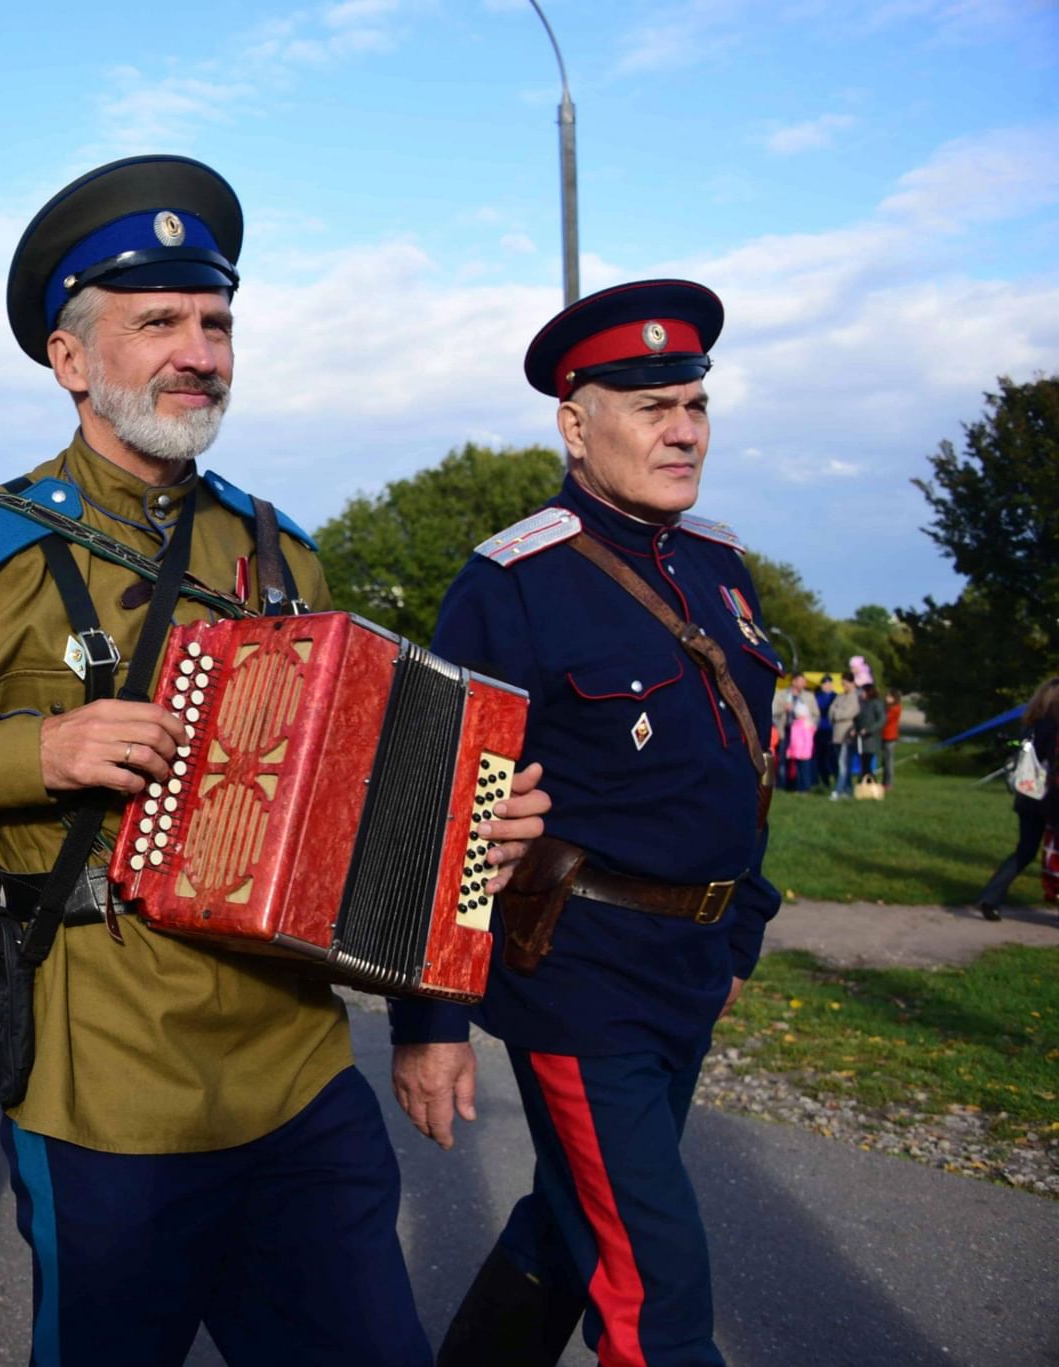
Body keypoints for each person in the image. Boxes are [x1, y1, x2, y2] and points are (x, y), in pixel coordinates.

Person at [0, 156, 548, 1364]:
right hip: (110, 1090)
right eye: (159, 323)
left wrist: (465, 829)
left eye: (216, 322)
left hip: (294, 1069)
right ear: (72, 360)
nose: (200, 350)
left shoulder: (278, 551)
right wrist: (37, 751)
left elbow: (351, 800)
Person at [389, 280, 782, 1366]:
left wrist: (738, 925)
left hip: (691, 963)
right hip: (581, 969)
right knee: (653, 1278)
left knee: (575, 1219)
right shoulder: (510, 581)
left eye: (694, 404)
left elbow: (736, 768)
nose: (683, 429)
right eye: (651, 406)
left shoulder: (716, 565)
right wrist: (430, 1023)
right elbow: (451, 812)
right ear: (574, 423)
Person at [975, 677, 1059, 921]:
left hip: (1027, 794)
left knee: (1025, 850)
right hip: (1051, 798)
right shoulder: (1053, 728)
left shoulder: (1030, 724)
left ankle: (991, 897)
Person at [783, 675, 819, 792]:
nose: (804, 684)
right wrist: (784, 709)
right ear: (793, 682)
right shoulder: (782, 694)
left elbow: (816, 714)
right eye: (801, 681)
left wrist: (810, 726)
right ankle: (785, 785)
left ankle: (804, 786)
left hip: (803, 733)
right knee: (785, 760)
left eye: (804, 682)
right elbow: (773, 710)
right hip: (784, 731)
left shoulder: (809, 696)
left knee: (803, 760)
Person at [827, 676, 861, 799]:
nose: (843, 686)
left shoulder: (855, 698)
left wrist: (837, 712)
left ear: (852, 683)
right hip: (836, 735)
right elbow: (831, 710)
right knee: (842, 763)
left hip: (847, 736)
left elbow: (850, 713)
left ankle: (838, 790)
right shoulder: (840, 696)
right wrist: (837, 712)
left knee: (843, 763)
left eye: (845, 683)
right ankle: (848, 790)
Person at [855, 683, 887, 782]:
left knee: (867, 762)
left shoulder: (877, 703)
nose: (861, 694)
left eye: (863, 691)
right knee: (863, 762)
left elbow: (881, 720)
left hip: (871, 739)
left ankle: (869, 782)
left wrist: (868, 730)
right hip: (861, 738)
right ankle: (865, 782)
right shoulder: (862, 703)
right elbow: (858, 718)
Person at [882, 691, 903, 788]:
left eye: (889, 696)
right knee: (885, 761)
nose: (887, 698)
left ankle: (889, 783)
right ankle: (884, 782)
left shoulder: (895, 708)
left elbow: (886, 719)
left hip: (890, 737)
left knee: (889, 762)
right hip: (884, 736)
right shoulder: (888, 707)